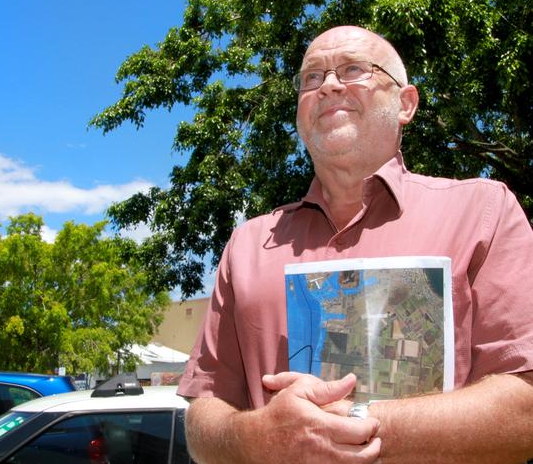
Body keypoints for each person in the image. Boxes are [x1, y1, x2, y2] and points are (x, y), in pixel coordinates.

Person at [177, 25, 533, 463]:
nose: (328, 85)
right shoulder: (247, 245)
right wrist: (258, 437)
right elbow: (202, 418)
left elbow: (525, 411)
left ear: (406, 104)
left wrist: (343, 424)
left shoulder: (484, 213)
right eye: (311, 78)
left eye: (352, 70)